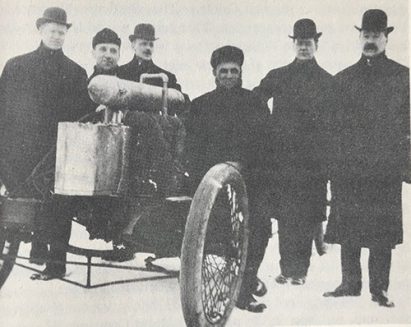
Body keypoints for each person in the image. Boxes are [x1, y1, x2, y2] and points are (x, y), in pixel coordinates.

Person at [323, 9, 410, 308]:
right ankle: (349, 283)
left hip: (385, 167)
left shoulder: (402, 76)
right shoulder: (343, 79)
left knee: (381, 232)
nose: (371, 41)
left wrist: (405, 163)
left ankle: (379, 288)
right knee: (349, 227)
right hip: (349, 167)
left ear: (386, 38)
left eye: (376, 36)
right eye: (366, 35)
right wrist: (333, 163)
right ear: (359, 38)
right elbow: (331, 125)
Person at [0, 7, 91, 279]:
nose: (57, 36)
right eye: (53, 31)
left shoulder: (75, 72)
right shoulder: (16, 66)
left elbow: (81, 117)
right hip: (19, 152)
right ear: (40, 30)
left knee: (58, 207)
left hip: (57, 154)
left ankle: (56, 264)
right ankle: (32, 252)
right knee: (16, 205)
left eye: (62, 32)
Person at [185, 45, 271, 312]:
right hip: (212, 183)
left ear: (241, 72)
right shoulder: (200, 106)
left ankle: (244, 289)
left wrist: (242, 164)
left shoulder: (255, 103)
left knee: (258, 228)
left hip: (250, 179)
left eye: (235, 71)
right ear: (214, 73)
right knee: (217, 233)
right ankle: (219, 283)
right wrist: (216, 169)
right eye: (224, 71)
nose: (229, 76)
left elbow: (266, 143)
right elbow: (192, 149)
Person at [253, 19, 332, 285]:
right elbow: (256, 98)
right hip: (283, 160)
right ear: (294, 44)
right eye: (300, 43)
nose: (304, 47)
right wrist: (267, 129)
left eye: (308, 43)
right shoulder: (279, 75)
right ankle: (286, 269)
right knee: (286, 217)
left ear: (316, 45)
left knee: (308, 216)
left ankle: (301, 271)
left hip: (313, 162)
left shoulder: (327, 81)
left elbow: (337, 120)